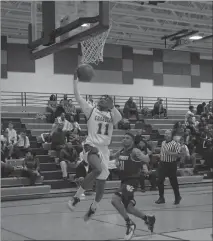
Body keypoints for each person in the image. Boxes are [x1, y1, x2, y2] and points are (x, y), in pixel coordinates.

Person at [68, 69, 122, 221]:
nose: (102, 99)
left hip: (104, 150)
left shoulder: (112, 114)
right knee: (97, 169)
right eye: (102, 97)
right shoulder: (91, 110)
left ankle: (94, 207)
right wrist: (75, 80)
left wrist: (113, 107)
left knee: (101, 184)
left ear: (110, 102)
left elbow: (120, 117)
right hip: (91, 145)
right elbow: (78, 97)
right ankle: (76, 198)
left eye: (105, 98)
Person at [111, 133, 155, 240]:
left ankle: (129, 224)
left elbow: (147, 160)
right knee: (129, 208)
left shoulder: (135, 151)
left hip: (132, 181)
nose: (124, 139)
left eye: (127, 138)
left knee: (115, 200)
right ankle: (148, 219)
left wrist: (145, 155)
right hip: (124, 181)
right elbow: (113, 158)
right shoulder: (121, 151)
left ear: (132, 141)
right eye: (123, 137)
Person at [155, 130, 183, 205]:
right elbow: (163, 152)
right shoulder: (163, 142)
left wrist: (169, 153)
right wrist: (160, 155)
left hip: (171, 164)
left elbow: (179, 154)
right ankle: (161, 198)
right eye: (165, 134)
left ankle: (177, 197)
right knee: (159, 180)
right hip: (162, 163)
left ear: (171, 135)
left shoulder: (175, 144)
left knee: (173, 182)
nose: (166, 135)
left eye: (168, 134)